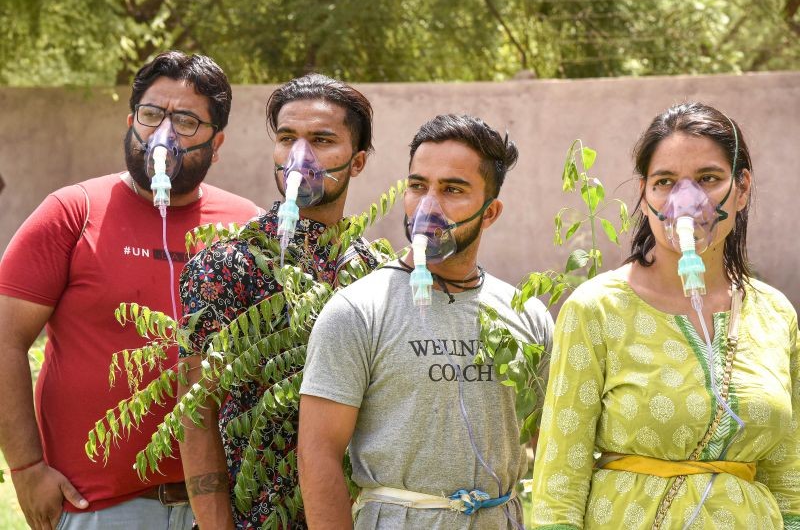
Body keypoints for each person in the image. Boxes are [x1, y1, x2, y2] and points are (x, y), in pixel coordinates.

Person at [0, 51, 263, 530]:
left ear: (216, 141)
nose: (162, 135)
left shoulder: (244, 226)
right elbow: (4, 339)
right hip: (99, 507)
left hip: (223, 507)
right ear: (131, 121)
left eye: (185, 120)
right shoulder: (72, 213)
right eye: (151, 115)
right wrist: (26, 468)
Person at [530, 102, 799, 529]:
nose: (685, 201)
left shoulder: (774, 313)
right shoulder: (597, 307)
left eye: (708, 179)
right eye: (665, 182)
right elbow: (561, 469)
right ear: (645, 193)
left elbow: (788, 471)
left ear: (742, 188)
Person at [298, 114, 554, 529]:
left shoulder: (528, 314)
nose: (428, 206)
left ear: (490, 213)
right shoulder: (358, 311)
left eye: (452, 189)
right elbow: (318, 455)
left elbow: (552, 446)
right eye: (418, 186)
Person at [178, 73, 377, 529]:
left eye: (322, 140)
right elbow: (196, 412)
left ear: (358, 160)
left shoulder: (372, 272)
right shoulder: (223, 266)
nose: (299, 157)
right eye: (288, 138)